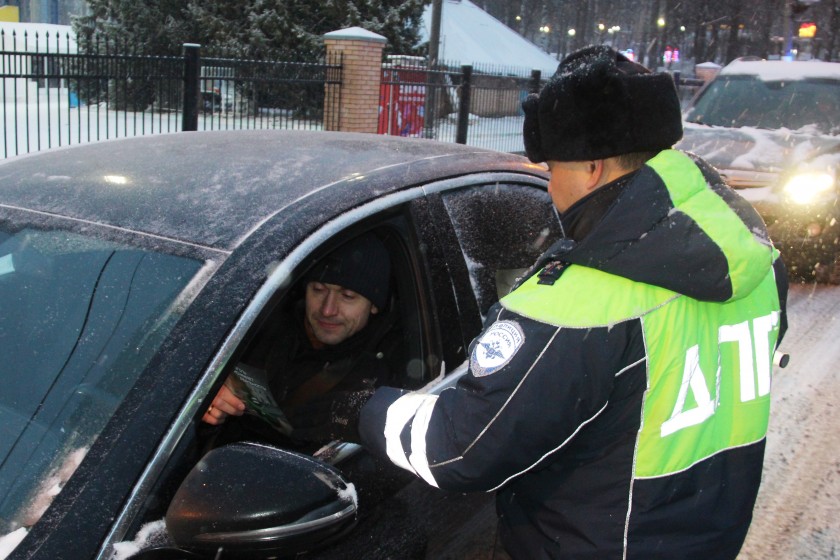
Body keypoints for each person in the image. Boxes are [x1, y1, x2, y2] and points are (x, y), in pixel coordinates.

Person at [352, 46, 789, 559]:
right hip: (706, 538)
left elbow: (459, 450)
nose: (551, 186)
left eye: (554, 167)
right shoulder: (754, 257)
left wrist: (357, 408)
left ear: (593, 168)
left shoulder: (582, 304)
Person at [202, 232, 396, 446]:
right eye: (319, 290)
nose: (328, 309)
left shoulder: (383, 377)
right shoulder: (257, 330)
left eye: (347, 296)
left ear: (374, 305)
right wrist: (211, 398)